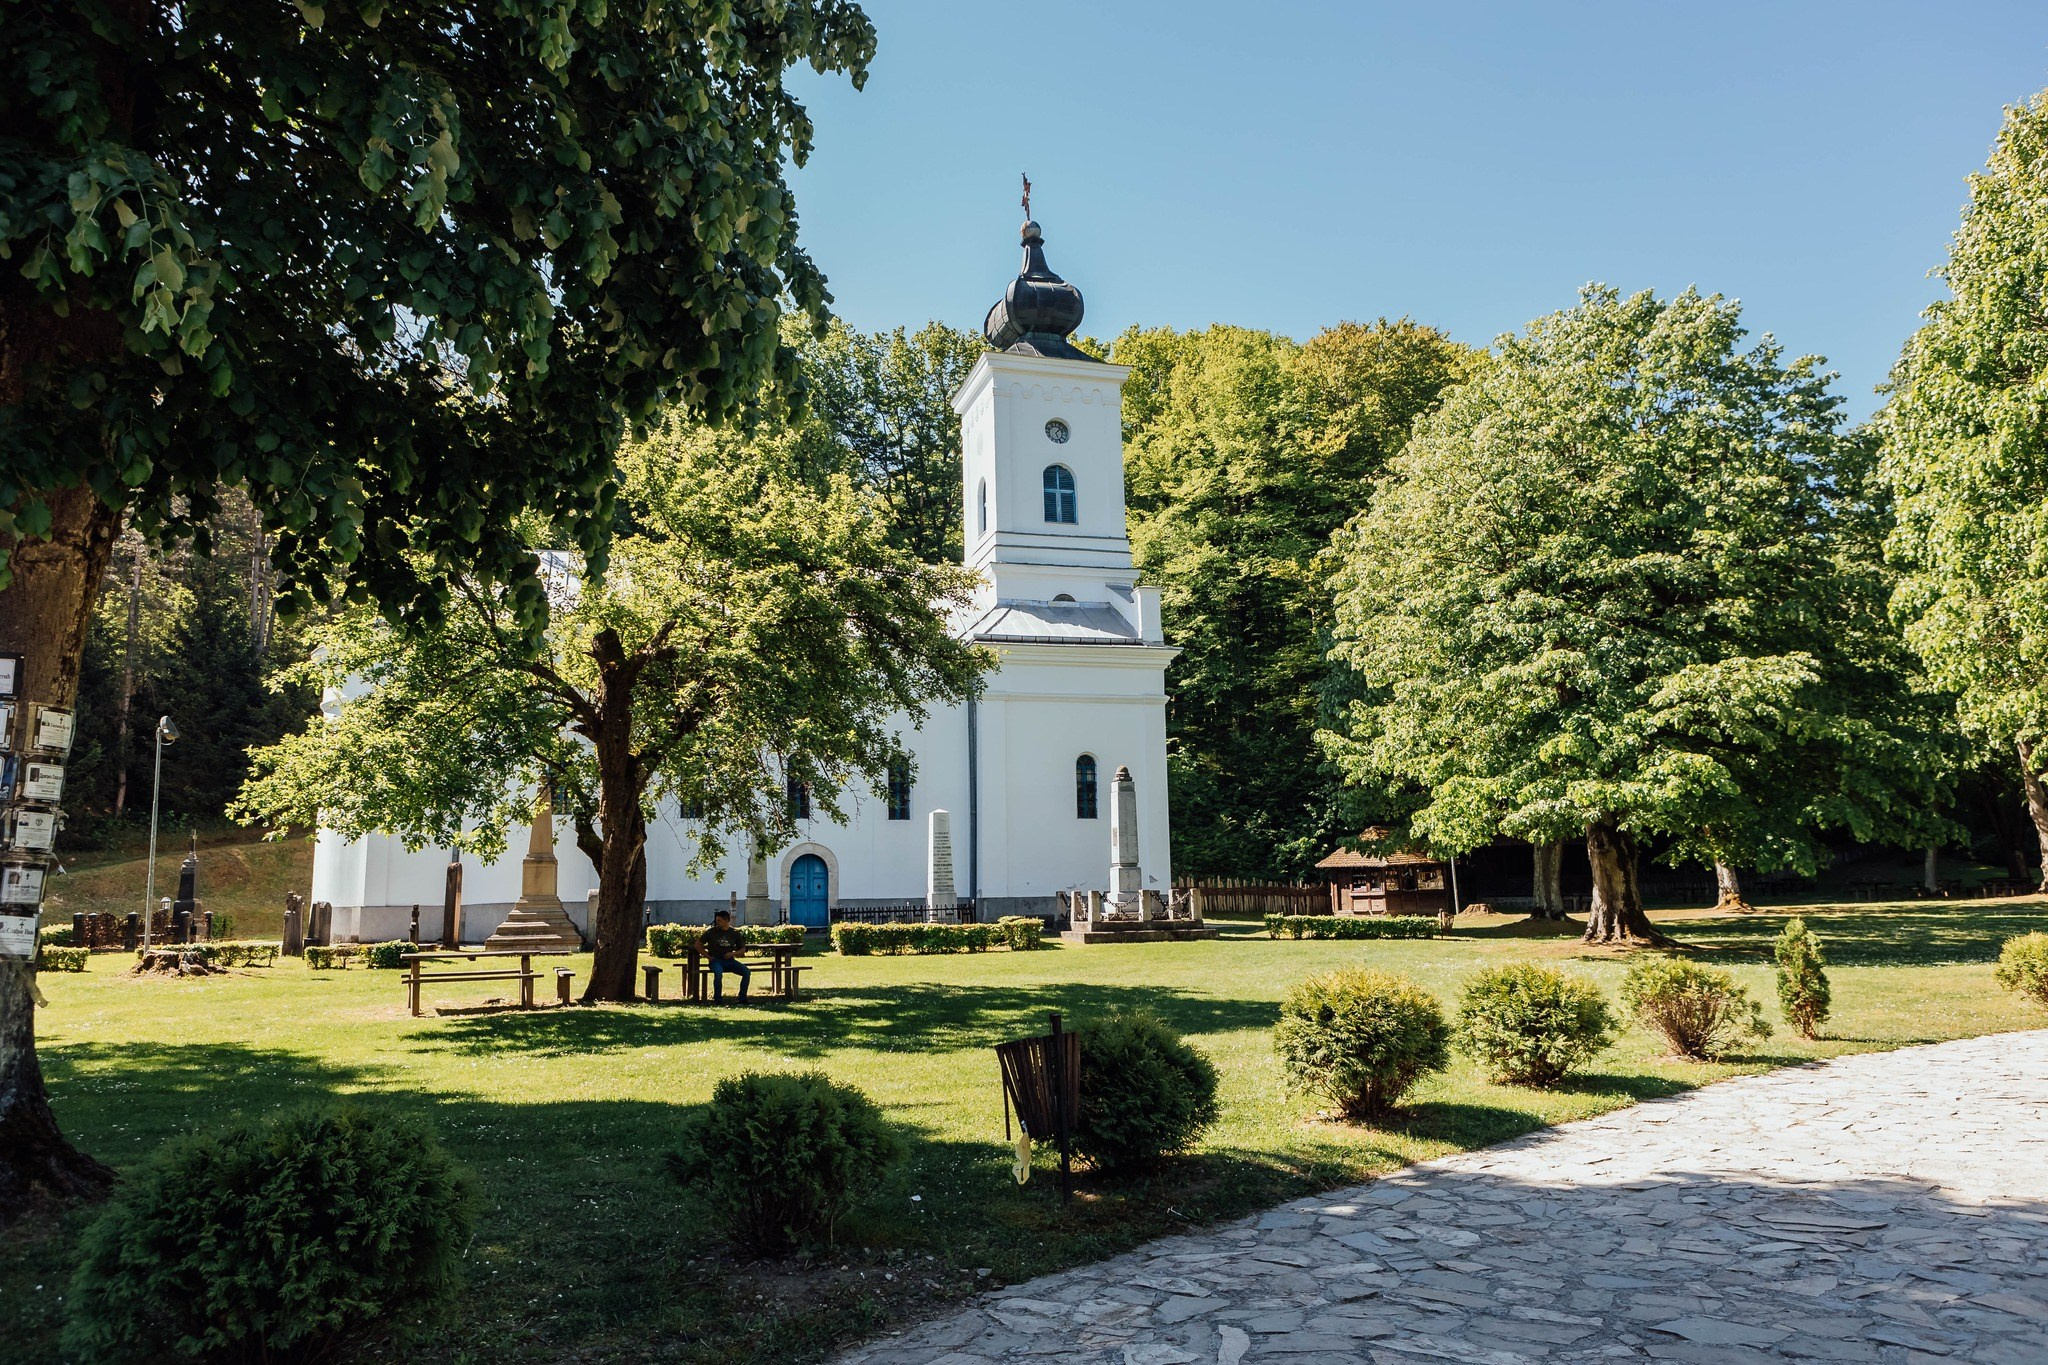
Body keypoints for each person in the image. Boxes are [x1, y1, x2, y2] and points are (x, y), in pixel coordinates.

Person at [701, 909, 751, 1002]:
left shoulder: (734, 933)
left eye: (719, 921)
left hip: (730, 961)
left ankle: (742, 998)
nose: (717, 923)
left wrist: (732, 954)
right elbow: (698, 945)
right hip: (715, 960)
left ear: (727, 920)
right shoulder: (711, 932)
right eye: (717, 921)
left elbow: (742, 950)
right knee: (718, 973)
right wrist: (708, 957)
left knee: (746, 972)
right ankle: (718, 999)